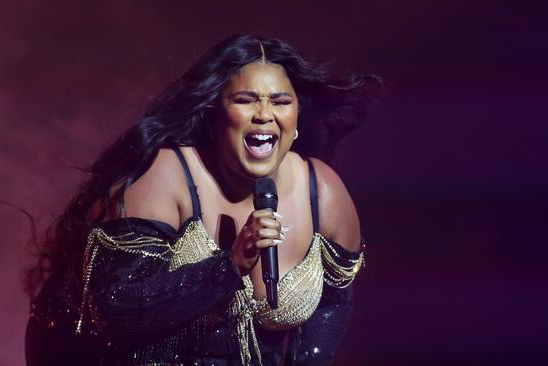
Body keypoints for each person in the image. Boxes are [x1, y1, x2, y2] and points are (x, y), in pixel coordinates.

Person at [24, 35, 381, 365]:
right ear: (214, 116)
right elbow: (114, 308)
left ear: (295, 120)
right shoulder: (168, 176)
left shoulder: (324, 195)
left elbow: (331, 307)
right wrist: (229, 268)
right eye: (245, 100)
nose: (264, 114)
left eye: (280, 101)